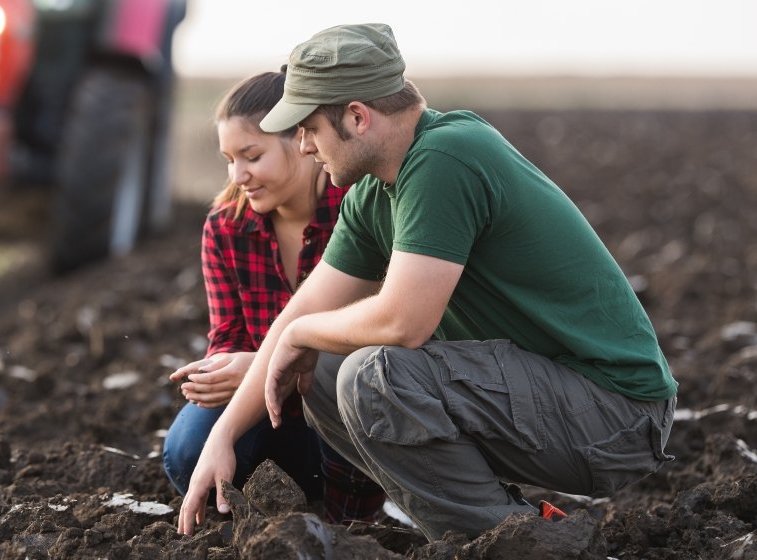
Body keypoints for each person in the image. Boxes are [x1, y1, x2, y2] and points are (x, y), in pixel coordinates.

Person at [178, 23, 678, 540]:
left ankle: (525, 543)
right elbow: (299, 315)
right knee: (323, 373)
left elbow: (403, 322)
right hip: (545, 398)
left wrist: (300, 335)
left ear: (356, 117)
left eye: (308, 129)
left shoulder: (446, 157)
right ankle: (503, 529)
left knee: (374, 375)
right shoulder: (373, 193)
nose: (303, 147)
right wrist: (224, 436)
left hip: (615, 414)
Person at [162, 71, 386, 524]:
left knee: (346, 383)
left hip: (349, 412)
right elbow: (227, 335)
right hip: (267, 414)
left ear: (302, 140)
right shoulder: (226, 226)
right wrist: (231, 368)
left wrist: (270, 365)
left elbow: (379, 333)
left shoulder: (358, 210)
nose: (237, 175)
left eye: (252, 155)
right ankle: (255, 516)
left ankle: (350, 523)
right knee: (187, 448)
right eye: (228, 159)